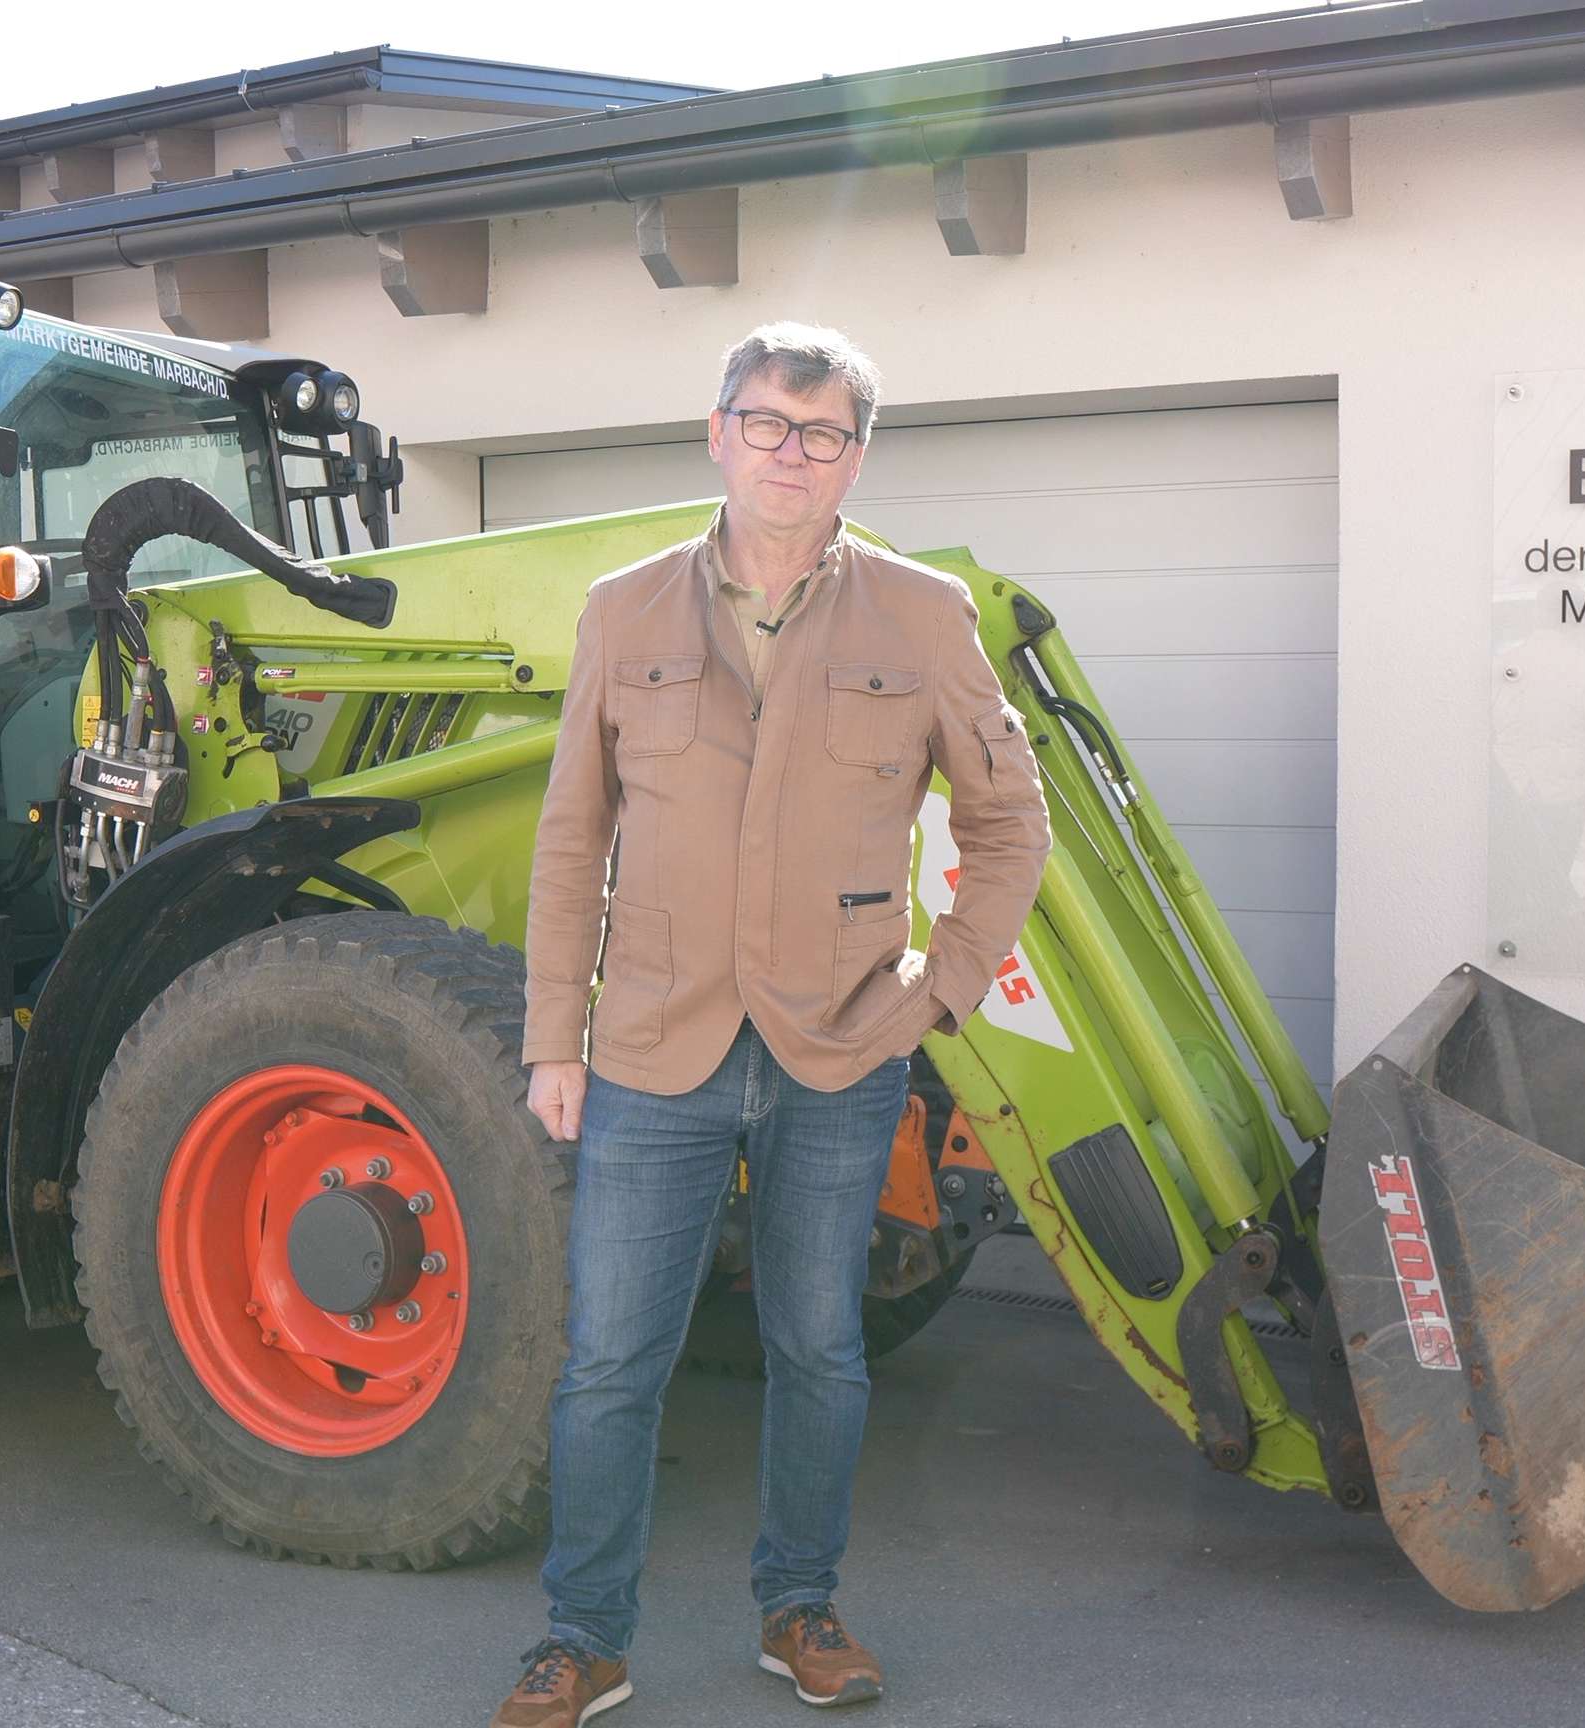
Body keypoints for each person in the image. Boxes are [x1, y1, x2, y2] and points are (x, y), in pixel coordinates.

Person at [492, 323, 1051, 1726]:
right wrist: (553, 1036)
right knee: (612, 1357)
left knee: (820, 1347)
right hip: (653, 1046)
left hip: (842, 1046)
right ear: (716, 431)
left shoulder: (922, 616)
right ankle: (583, 1636)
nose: (791, 453)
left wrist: (944, 987)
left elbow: (1008, 819)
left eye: (823, 433)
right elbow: (573, 838)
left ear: (857, 455)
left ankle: (799, 1608)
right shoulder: (624, 612)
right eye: (767, 423)